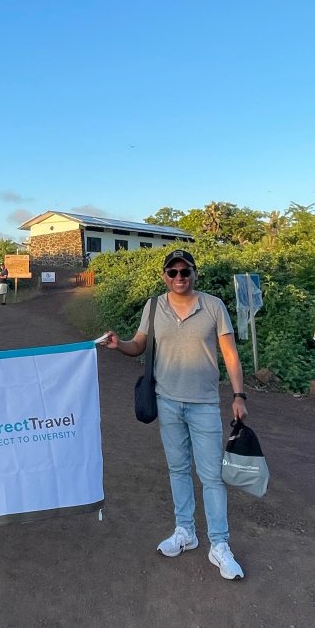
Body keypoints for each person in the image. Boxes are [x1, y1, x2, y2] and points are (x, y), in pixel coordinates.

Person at [100, 248, 248, 579]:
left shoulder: (213, 306)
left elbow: (230, 354)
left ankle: (219, 544)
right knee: (178, 469)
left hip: (204, 404)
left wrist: (239, 395)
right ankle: (185, 531)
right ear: (164, 276)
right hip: (167, 401)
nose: (179, 277)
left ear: (195, 274)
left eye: (185, 271)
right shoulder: (154, 306)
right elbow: (139, 344)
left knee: (211, 476)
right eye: (173, 272)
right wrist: (119, 344)